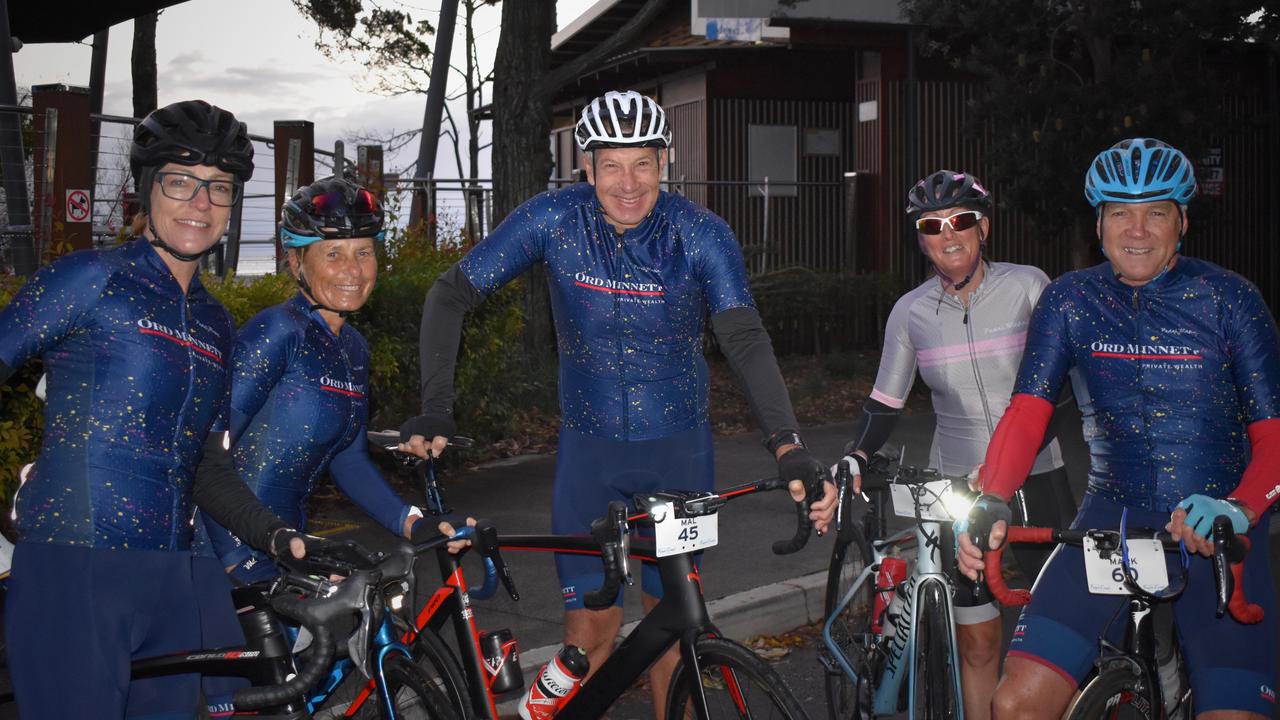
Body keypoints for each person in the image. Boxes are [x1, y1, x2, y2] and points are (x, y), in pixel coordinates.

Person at [399, 89, 835, 716]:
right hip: (590, 456)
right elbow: (450, 293)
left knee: (676, 627)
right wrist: (436, 405)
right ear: (586, 167)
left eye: (643, 164)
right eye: (610, 165)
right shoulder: (553, 218)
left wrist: (788, 443)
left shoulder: (700, 232)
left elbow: (743, 336)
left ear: (666, 161)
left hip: (679, 453)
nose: (627, 183)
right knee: (589, 635)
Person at [0, 99, 308, 719]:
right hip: (74, 568)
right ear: (147, 190)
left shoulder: (217, 322)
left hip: (170, 581)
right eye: (181, 181)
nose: (200, 203)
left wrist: (277, 535)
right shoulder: (90, 278)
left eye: (218, 188)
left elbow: (208, 467)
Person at [957, 138, 1280, 719]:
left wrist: (1241, 507)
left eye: (1156, 212)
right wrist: (995, 498)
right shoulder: (1069, 300)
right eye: (1120, 213)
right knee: (1014, 706)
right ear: (1098, 224)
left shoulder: (1230, 299)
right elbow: (1028, 411)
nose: (1138, 230)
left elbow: (1274, 436)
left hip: (1215, 525)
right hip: (1112, 517)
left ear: (1181, 222)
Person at [192, 177, 474, 715]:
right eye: (334, 254)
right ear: (297, 263)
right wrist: (236, 565)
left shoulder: (353, 348)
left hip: (284, 554)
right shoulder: (277, 333)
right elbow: (205, 455)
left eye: (364, 252)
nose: (353, 269)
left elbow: (347, 458)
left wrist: (413, 522)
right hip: (224, 557)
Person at [836, 170, 1076, 720]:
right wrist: (856, 453)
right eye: (932, 225)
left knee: (1058, 639)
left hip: (1037, 476)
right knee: (977, 640)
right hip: (956, 488)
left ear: (983, 227)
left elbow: (1063, 392)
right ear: (919, 238)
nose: (949, 235)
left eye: (962, 220)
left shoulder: (1028, 287)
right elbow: (884, 402)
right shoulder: (911, 312)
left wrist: (1010, 465)